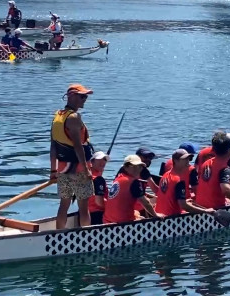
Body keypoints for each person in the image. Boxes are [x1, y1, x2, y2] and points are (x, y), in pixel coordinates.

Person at [51, 84, 95, 229]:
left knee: (64, 204)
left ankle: (59, 235)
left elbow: (53, 146)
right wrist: (87, 170)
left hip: (63, 168)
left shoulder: (58, 116)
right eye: (82, 96)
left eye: (86, 96)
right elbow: (78, 146)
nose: (85, 99)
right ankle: (86, 235)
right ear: (72, 96)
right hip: (79, 169)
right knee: (83, 205)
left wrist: (53, 171)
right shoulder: (74, 117)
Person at [194, 131, 230, 209]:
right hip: (215, 209)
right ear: (229, 150)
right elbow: (226, 190)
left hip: (201, 206)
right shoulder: (224, 168)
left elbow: (229, 185)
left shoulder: (207, 163)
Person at [103, 155, 163, 224]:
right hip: (122, 224)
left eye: (139, 167)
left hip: (107, 220)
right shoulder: (133, 182)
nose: (137, 169)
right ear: (125, 167)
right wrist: (155, 215)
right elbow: (145, 202)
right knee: (143, 215)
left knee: (137, 213)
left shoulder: (118, 178)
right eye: (133, 167)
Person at [155, 149, 214, 217]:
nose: (187, 161)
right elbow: (183, 206)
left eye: (188, 158)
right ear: (175, 161)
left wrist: (185, 201)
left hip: (160, 214)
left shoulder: (165, 175)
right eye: (184, 159)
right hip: (172, 219)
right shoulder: (179, 181)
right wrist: (205, 211)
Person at [88, 151, 109, 225]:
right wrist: (112, 206)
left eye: (105, 160)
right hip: (97, 215)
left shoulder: (85, 176)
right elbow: (99, 202)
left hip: (85, 214)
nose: (103, 162)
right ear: (92, 162)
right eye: (100, 159)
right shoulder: (98, 179)